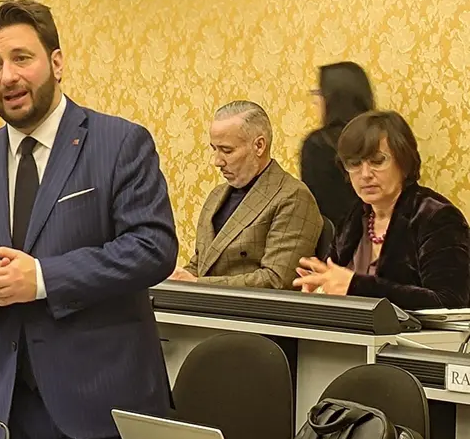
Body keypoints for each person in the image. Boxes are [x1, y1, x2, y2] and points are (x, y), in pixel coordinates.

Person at [0, 0, 177, 439]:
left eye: (22, 58)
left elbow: (152, 248)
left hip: (104, 413)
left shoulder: (120, 143)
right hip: (6, 414)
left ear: (57, 63)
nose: (8, 76)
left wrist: (42, 279)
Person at [294, 110, 470, 310]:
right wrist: (320, 290)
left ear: (404, 162)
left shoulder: (436, 217)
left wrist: (356, 287)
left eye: (377, 161)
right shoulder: (354, 218)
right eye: (354, 164)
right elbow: (338, 284)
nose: (365, 174)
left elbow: (450, 302)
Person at [170, 101, 323, 289]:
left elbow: (278, 280)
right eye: (214, 149)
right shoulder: (216, 196)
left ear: (259, 146)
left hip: (252, 308)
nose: (217, 161)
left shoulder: (293, 197)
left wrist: (198, 284)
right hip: (204, 304)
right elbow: (202, 263)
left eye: (227, 150)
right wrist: (175, 281)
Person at [300, 61, 374, 228]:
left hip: (338, 238)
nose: (315, 101)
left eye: (318, 93)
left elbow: (317, 209)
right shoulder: (384, 135)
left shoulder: (318, 144)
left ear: (333, 96)